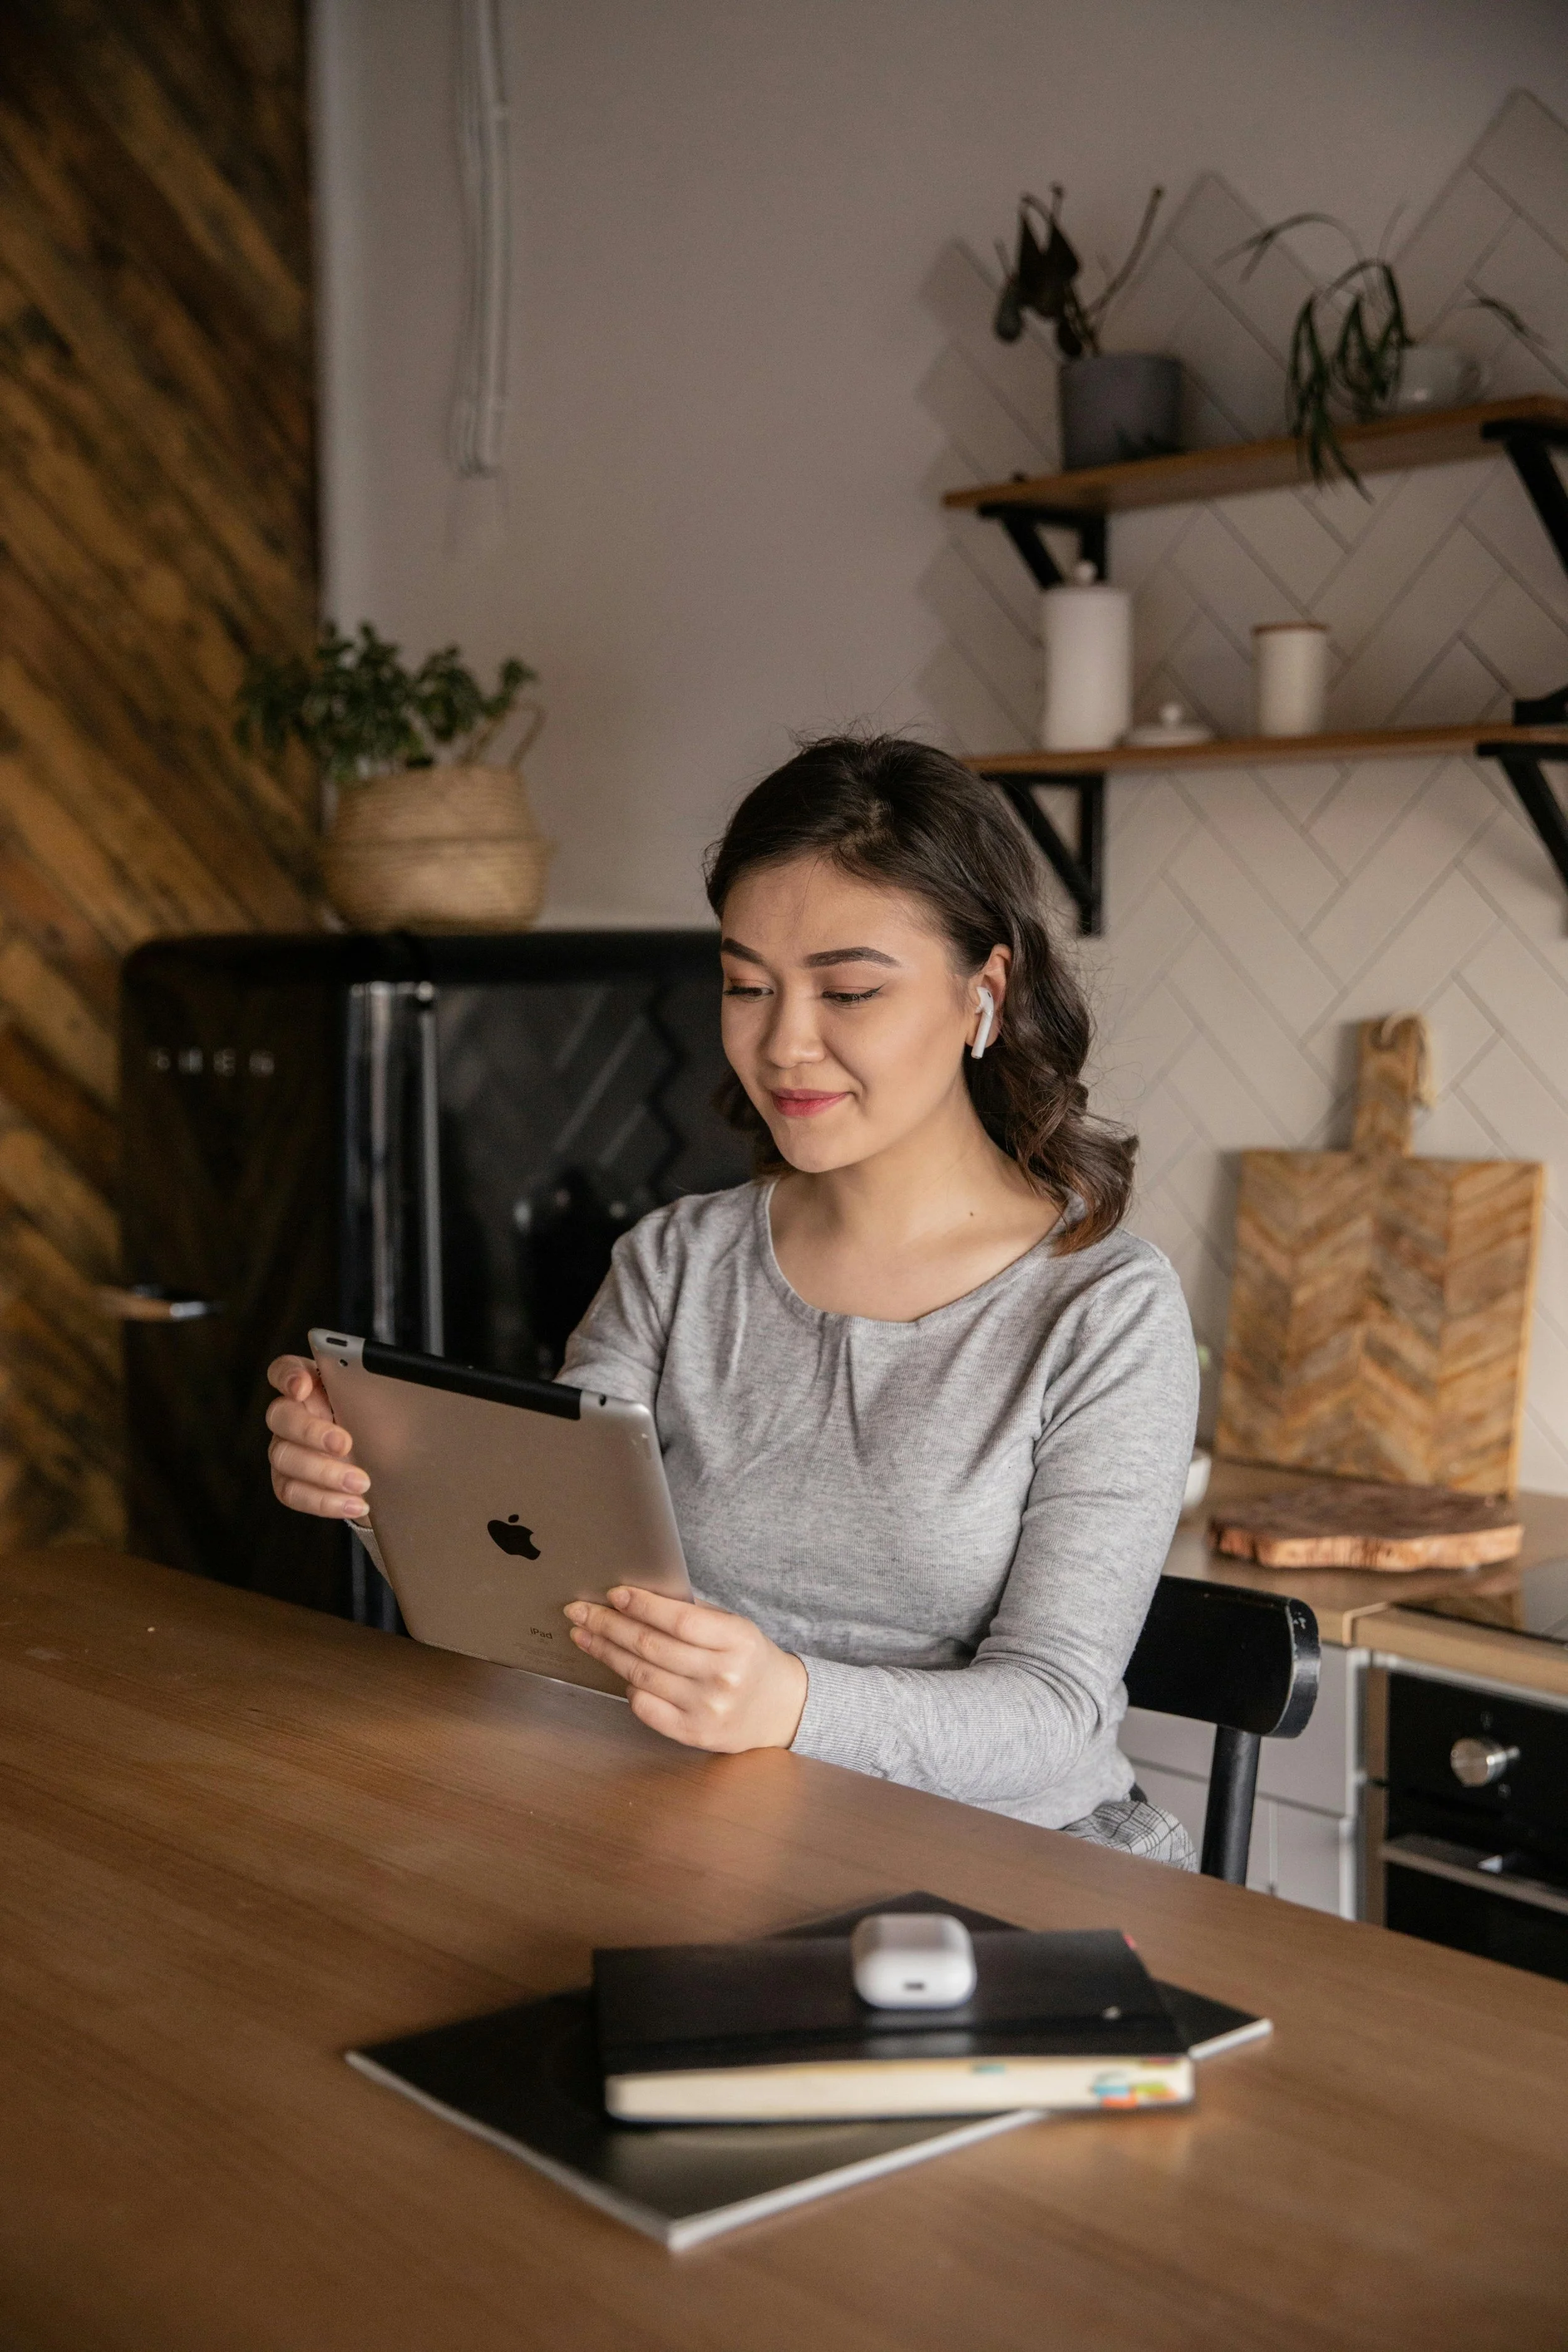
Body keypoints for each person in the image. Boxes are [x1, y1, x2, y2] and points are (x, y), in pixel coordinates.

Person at [266, 735, 1200, 1865]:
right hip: (705, 1844)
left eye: (849, 989)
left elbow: (1054, 1712)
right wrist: (381, 1483)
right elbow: (558, 1602)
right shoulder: (675, 1264)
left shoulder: (1103, 1308)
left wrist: (793, 1704)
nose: (783, 1042)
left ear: (983, 996)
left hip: (1007, 1875)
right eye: (746, 984)